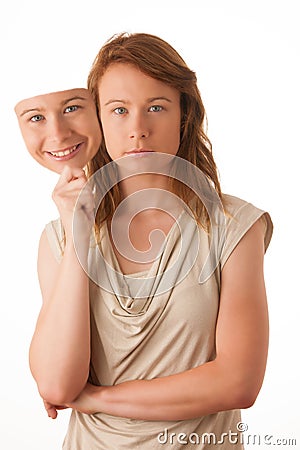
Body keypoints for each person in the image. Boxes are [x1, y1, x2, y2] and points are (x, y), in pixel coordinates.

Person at [16, 33, 273, 449]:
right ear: (98, 121)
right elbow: (57, 383)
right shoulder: (61, 237)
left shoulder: (234, 225)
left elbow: (238, 381)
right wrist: (79, 226)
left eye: (156, 107)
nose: (138, 129)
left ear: (184, 115)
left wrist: (98, 397)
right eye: (118, 110)